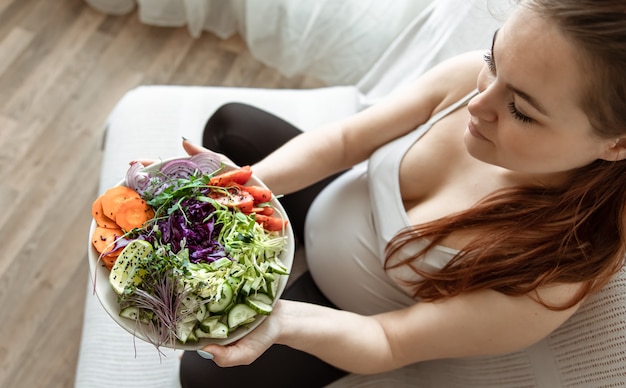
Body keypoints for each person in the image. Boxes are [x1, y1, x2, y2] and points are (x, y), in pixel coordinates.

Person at [178, 1, 626, 386]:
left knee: (202, 377)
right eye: (493, 60)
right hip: (330, 202)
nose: (477, 103)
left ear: (617, 143)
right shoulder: (471, 80)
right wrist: (236, 191)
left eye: (520, 111)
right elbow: (345, 143)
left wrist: (280, 323)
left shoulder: (557, 268)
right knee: (230, 125)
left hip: (346, 309)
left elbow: (389, 341)